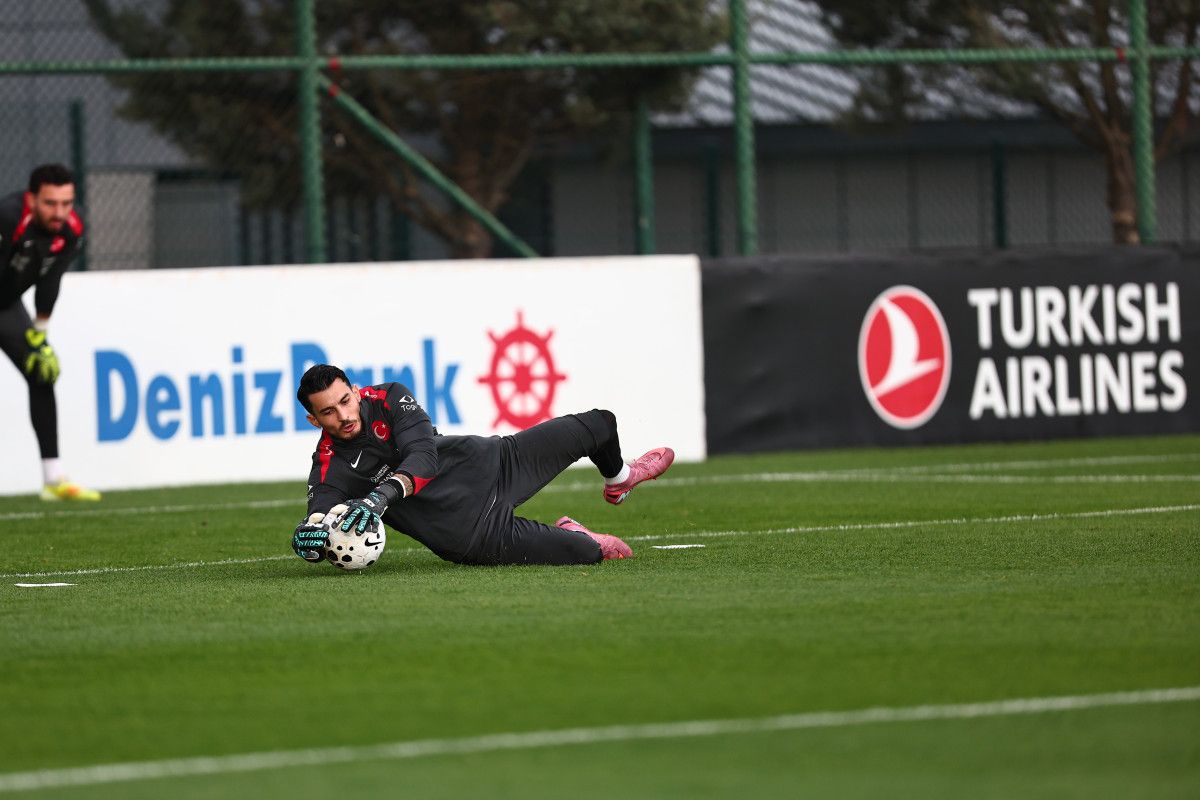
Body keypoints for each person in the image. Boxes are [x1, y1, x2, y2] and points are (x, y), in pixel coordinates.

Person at [291, 364, 675, 566]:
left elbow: (423, 458)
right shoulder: (329, 466)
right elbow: (318, 519)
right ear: (314, 420)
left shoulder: (390, 397)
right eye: (328, 411)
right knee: (590, 554)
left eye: (345, 400)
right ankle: (576, 533)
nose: (343, 415)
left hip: (498, 461)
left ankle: (620, 479)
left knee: (600, 424)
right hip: (476, 535)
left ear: (355, 391)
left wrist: (377, 498)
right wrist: (308, 541)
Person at [0, 164, 100, 501]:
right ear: (31, 199)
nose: (59, 212)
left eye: (66, 203)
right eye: (50, 203)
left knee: (41, 371)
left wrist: (39, 334)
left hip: (5, 307)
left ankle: (54, 479)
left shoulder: (72, 229)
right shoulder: (7, 218)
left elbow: (50, 281)